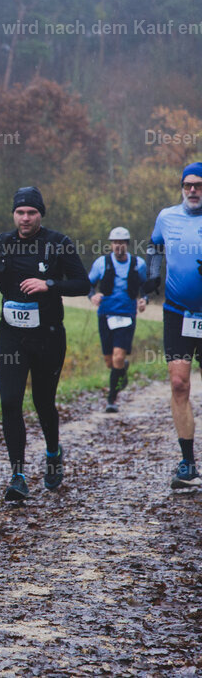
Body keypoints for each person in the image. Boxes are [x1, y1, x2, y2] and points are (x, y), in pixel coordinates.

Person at [0, 186, 91, 502]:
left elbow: (83, 284)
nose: (25, 218)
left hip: (49, 335)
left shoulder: (58, 244)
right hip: (11, 335)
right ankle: (18, 475)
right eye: (20, 212)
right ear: (13, 214)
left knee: (43, 401)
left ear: (41, 214)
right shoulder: (4, 243)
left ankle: (53, 453)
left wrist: (49, 284)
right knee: (10, 401)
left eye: (31, 212)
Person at [144, 162, 202, 490]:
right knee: (179, 384)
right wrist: (153, 274)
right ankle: (188, 465)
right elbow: (155, 245)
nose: (192, 190)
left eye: (199, 185)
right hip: (178, 313)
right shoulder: (167, 217)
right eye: (187, 185)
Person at [87, 227, 148, 413]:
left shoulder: (139, 264)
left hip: (127, 315)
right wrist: (92, 296)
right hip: (105, 315)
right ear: (111, 244)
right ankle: (122, 370)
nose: (118, 246)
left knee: (118, 356)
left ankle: (111, 400)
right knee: (110, 362)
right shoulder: (101, 263)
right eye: (114, 243)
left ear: (127, 244)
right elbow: (88, 284)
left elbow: (146, 286)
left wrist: (144, 299)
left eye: (121, 243)